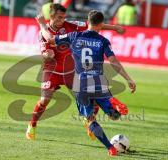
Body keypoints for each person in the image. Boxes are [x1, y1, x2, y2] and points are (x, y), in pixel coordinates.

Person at [40, 10, 136, 156]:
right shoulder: (103, 41)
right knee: (114, 116)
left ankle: (110, 148)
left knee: (89, 119)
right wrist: (128, 78)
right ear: (101, 24)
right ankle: (112, 102)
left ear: (88, 21)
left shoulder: (74, 36)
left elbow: (50, 39)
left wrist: (41, 24)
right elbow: (113, 62)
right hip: (98, 82)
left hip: (80, 84)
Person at [26, 3, 127, 140]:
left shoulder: (70, 25)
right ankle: (32, 124)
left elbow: (92, 25)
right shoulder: (42, 32)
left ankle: (89, 121)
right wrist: (47, 55)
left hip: (70, 71)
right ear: (51, 16)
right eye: (59, 17)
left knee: (91, 98)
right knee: (45, 99)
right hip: (52, 70)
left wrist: (114, 28)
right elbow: (45, 49)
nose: (62, 20)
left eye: (63, 17)